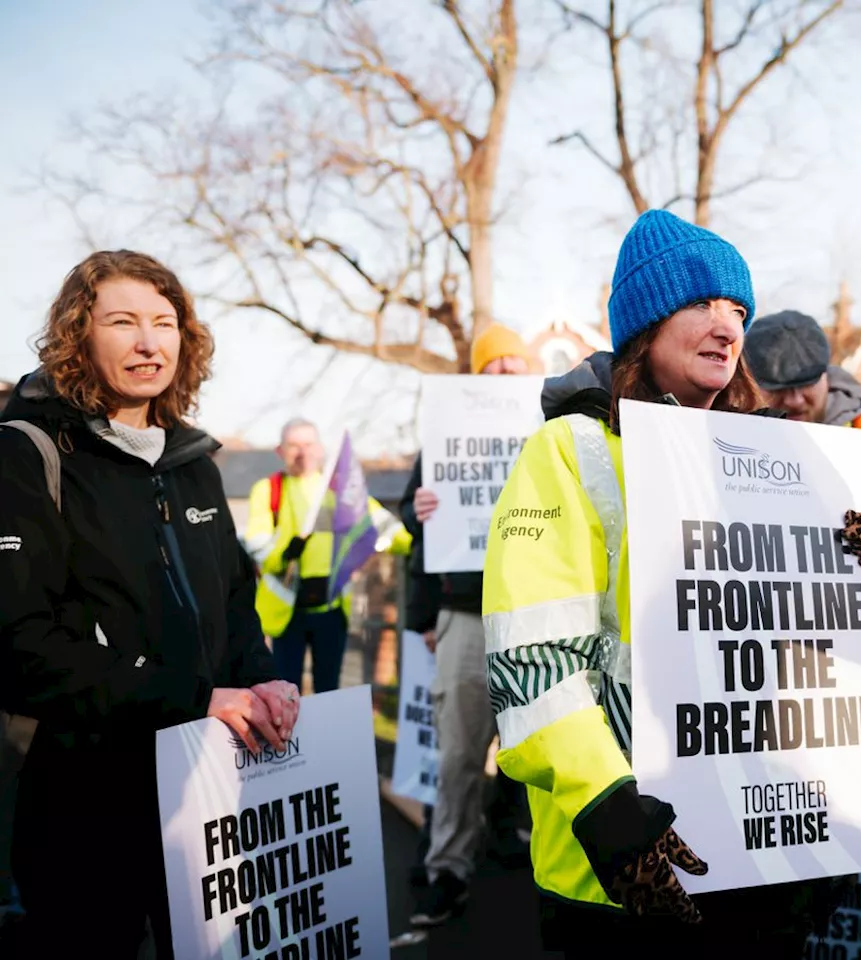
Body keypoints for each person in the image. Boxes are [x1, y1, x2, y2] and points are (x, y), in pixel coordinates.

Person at [481, 209, 861, 956]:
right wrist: (603, 804)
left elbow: (836, 633)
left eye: (738, 310)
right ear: (645, 322)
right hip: (623, 865)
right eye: (701, 304)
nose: (727, 326)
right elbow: (534, 662)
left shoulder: (778, 460)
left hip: (760, 857)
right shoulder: (570, 452)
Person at [0, 250, 299, 959]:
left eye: (165, 323)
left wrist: (260, 677)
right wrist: (195, 699)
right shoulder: (27, 454)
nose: (148, 342)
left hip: (205, 800)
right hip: (82, 806)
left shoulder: (194, 463)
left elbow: (233, 600)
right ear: (79, 334)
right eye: (123, 321)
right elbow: (19, 646)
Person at [402, 322, 534, 925]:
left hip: (537, 613)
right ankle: (447, 868)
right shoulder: (444, 434)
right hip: (463, 612)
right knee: (458, 752)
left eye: (514, 362)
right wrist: (417, 509)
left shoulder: (549, 429)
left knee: (541, 744)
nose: (504, 371)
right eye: (493, 363)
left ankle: (525, 845)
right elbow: (413, 520)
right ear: (476, 374)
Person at [244, 418, 410, 694]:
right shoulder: (268, 490)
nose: (302, 452)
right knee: (285, 692)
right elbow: (258, 546)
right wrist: (284, 554)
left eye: (308, 444)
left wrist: (420, 534)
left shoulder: (340, 492)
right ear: (280, 451)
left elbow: (380, 527)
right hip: (287, 612)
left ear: (320, 448)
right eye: (294, 445)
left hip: (331, 608)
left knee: (329, 691)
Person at [743, 309, 861, 456]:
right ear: (749, 381)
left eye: (806, 384)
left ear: (826, 375)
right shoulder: (730, 436)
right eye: (777, 388)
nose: (795, 400)